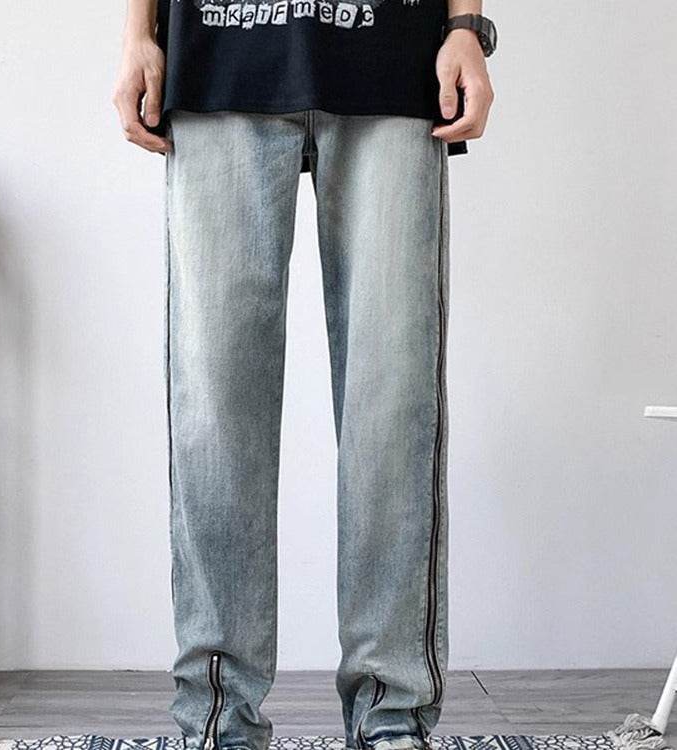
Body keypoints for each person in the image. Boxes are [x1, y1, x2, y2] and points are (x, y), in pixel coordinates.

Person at [113, 1, 495, 749]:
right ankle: (219, 719)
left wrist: (467, 27)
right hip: (217, 53)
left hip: (393, 55)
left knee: (395, 405)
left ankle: (391, 716)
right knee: (214, 407)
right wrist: (136, 33)